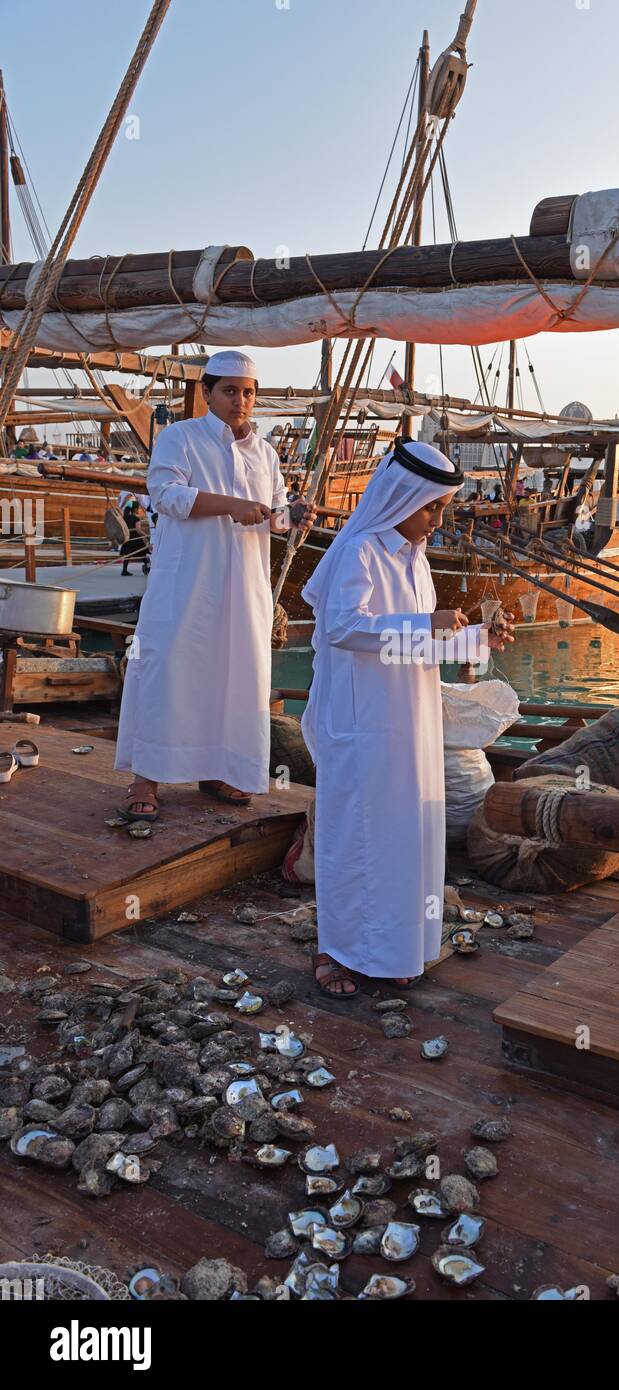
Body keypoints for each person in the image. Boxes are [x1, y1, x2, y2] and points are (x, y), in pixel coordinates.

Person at [302, 438, 515, 998]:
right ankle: (338, 950)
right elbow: (344, 628)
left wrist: (474, 639)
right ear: (402, 498)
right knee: (354, 835)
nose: (437, 520)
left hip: (409, 724)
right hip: (364, 724)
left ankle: (394, 948)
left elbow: (413, 646)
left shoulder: (415, 562)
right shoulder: (361, 552)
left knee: (404, 836)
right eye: (431, 507)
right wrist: (428, 624)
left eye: (443, 508)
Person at [114, 350, 315, 821]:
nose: (239, 400)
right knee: (169, 671)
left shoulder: (264, 453)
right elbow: (165, 494)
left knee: (235, 676)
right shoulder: (180, 438)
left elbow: (275, 515)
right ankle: (146, 778)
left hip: (244, 591)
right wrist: (230, 505)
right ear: (207, 393)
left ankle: (218, 768)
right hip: (187, 585)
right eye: (229, 391)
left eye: (247, 392)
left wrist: (294, 516)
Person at [119, 497, 150, 577]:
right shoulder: (136, 518)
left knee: (127, 554)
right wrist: (146, 535)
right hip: (135, 538)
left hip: (127, 537)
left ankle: (124, 570)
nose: (139, 510)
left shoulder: (124, 517)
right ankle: (148, 569)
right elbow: (138, 530)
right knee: (143, 552)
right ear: (135, 509)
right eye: (138, 508)